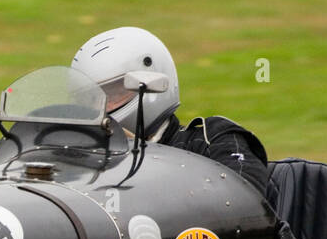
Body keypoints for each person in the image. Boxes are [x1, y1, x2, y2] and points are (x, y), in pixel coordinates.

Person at [70, 26, 271, 196]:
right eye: (90, 99)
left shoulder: (211, 140)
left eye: (112, 94)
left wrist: (143, 153)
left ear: (152, 85)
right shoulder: (83, 157)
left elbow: (246, 199)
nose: (100, 108)